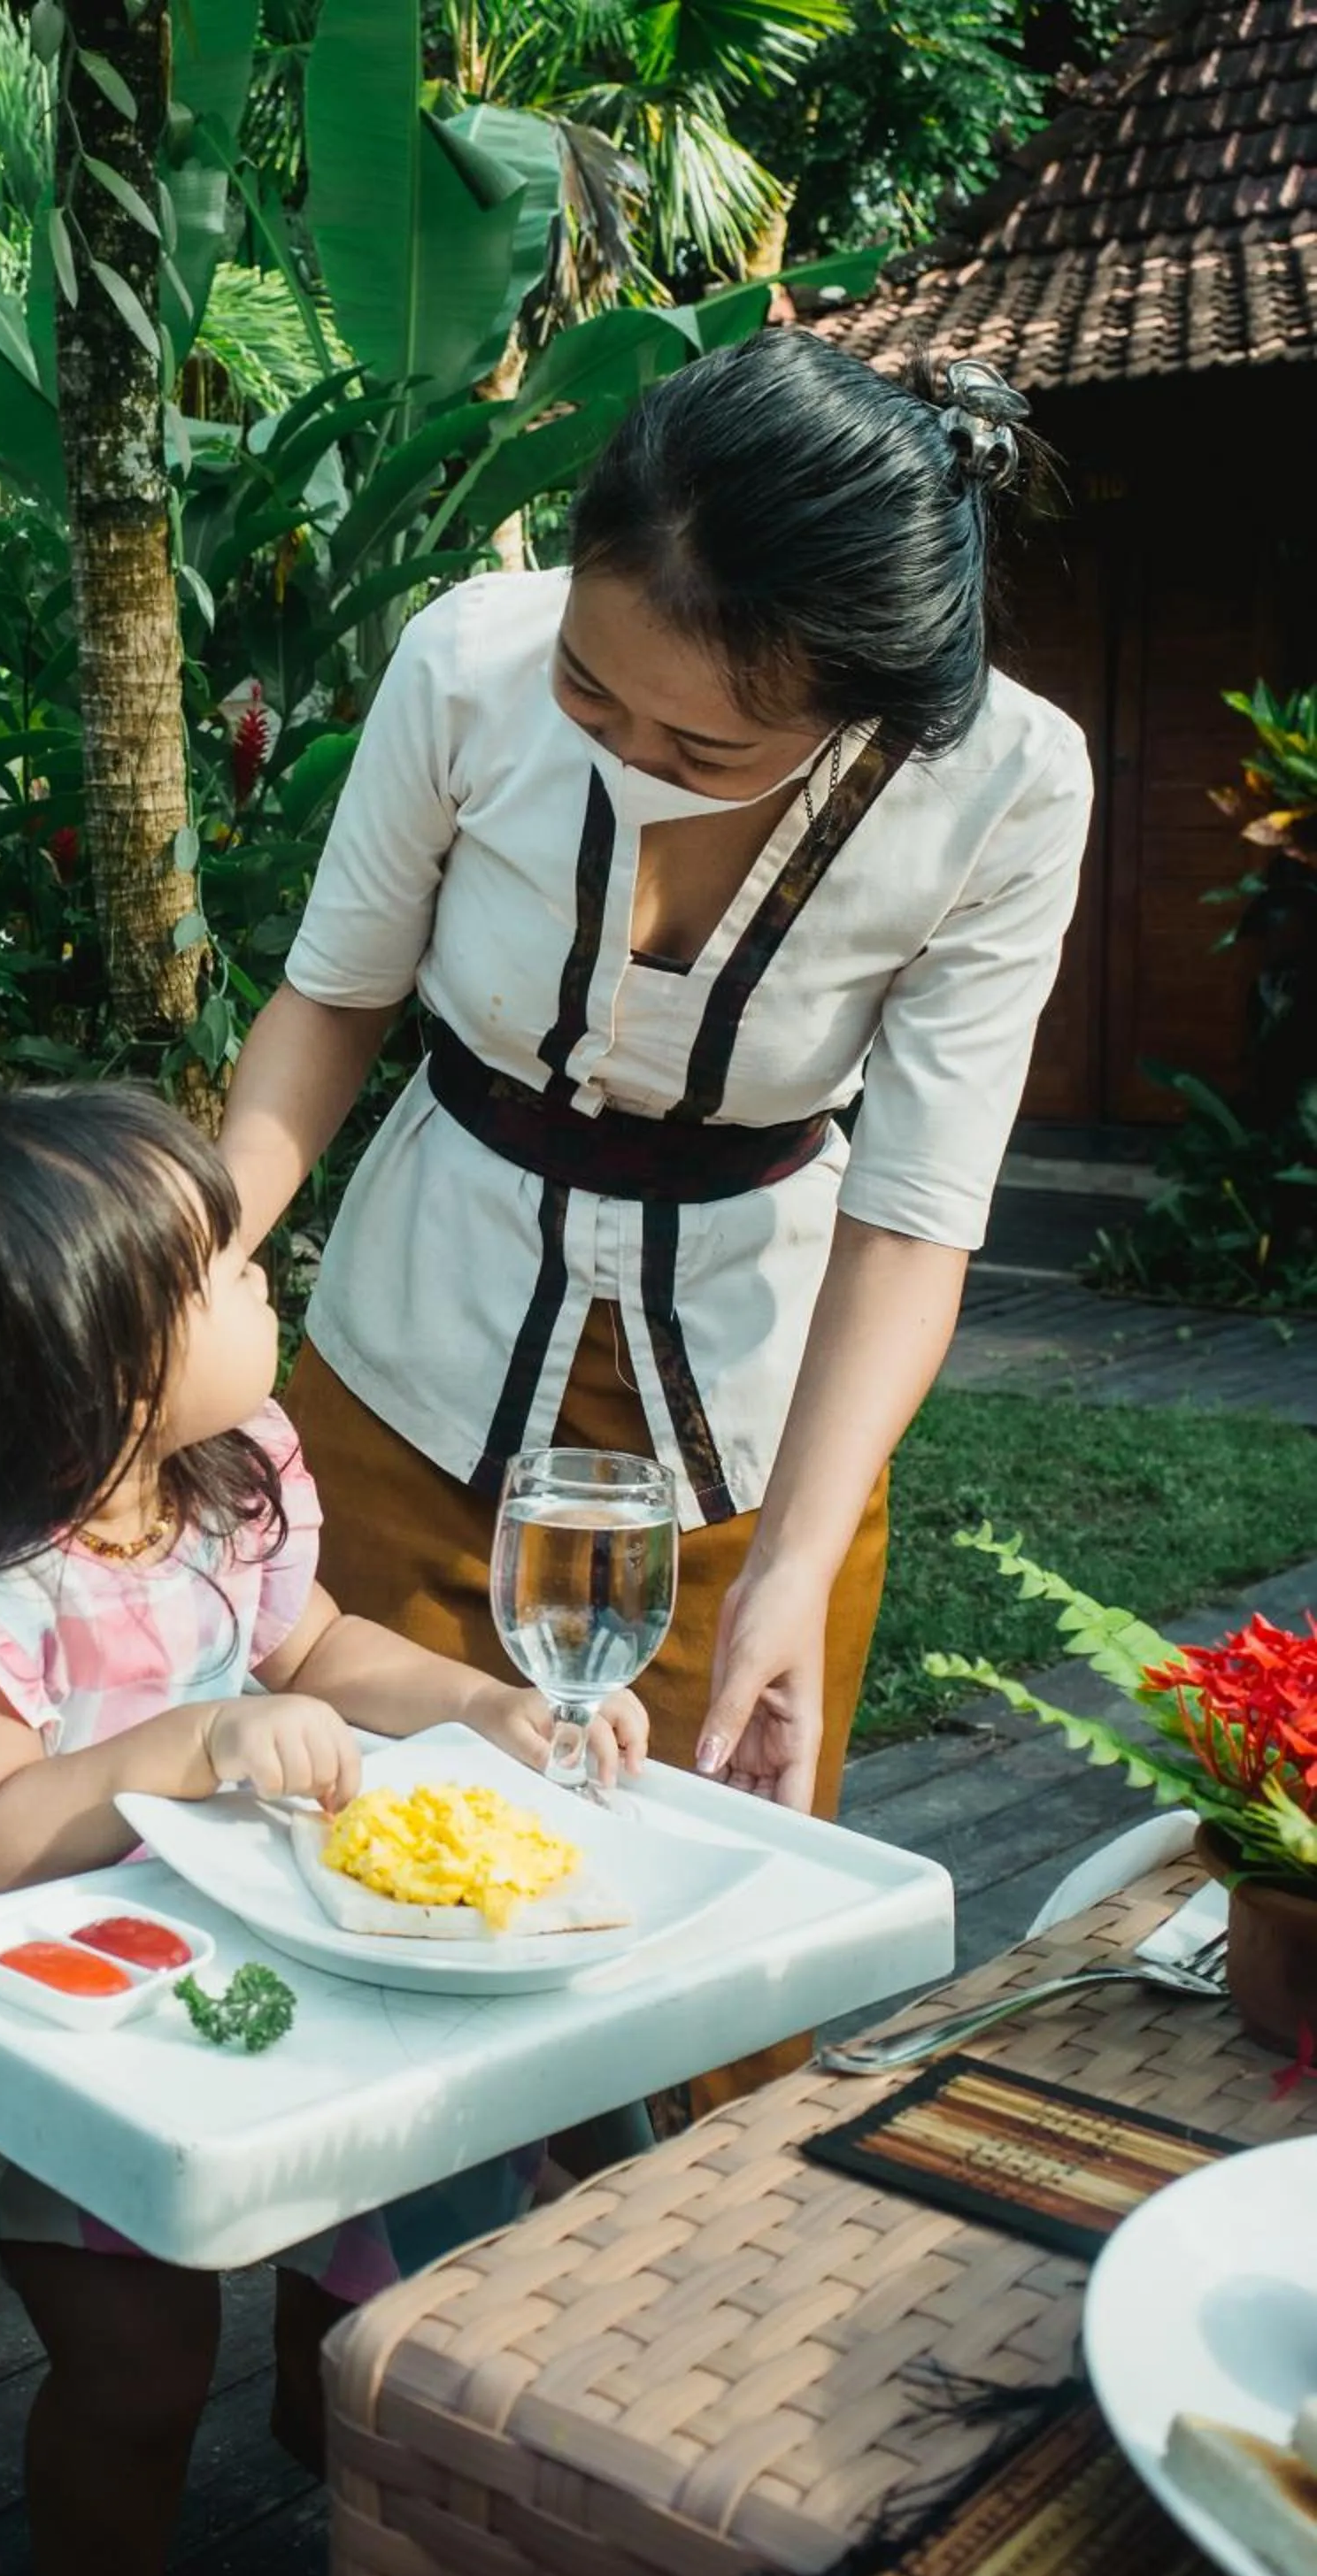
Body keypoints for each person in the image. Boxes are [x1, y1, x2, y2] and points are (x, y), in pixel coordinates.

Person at [217, 331, 1096, 2113]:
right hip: (406, 1372)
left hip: (758, 1436)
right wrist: (189, 1274)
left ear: (862, 712)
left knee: (714, 1976)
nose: (625, 752)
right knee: (344, 1910)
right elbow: (329, 1002)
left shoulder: (1007, 786)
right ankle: (369, 2305)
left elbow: (914, 1216)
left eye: (703, 742)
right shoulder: (463, 663)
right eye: (589, 690)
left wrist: (792, 1572)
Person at [0, 1083, 646, 2576]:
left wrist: (476, 1702)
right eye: (224, 1271)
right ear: (96, 1362)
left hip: (227, 1933)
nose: (262, 1278)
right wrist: (190, 1743)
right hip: (45, 1987)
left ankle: (367, 2464)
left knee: (439, 2209)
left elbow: (320, 1648)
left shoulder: (230, 1479)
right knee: (142, 2364)